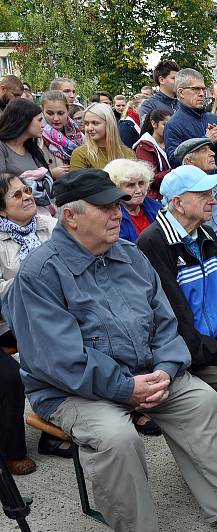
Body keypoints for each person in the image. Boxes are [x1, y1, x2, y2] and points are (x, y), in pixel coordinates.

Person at [4, 168, 217, 531]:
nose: (117, 213)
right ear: (70, 216)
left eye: (118, 205)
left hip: (148, 373)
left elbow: (166, 324)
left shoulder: (130, 256)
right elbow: (58, 360)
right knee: (116, 439)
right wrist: (125, 388)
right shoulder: (40, 274)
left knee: (202, 401)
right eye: (104, 207)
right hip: (73, 389)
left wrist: (166, 369)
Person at [137, 165, 217, 444]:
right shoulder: (154, 242)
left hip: (215, 345)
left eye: (212, 192)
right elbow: (173, 319)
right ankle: (214, 458)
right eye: (203, 194)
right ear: (178, 203)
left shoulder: (206, 234)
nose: (214, 199)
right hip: (185, 354)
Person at [0, 172, 57, 474]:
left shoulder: (51, 226)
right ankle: (15, 449)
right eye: (16, 195)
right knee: (12, 375)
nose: (26, 196)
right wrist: (29, 279)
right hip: (8, 320)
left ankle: (57, 427)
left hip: (54, 311)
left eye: (27, 190)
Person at [172, 137, 217, 254]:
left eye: (210, 149)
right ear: (189, 161)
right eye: (204, 151)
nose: (212, 153)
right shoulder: (180, 194)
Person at [164, 68, 217, 173]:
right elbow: (175, 163)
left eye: (203, 89)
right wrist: (206, 140)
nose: (201, 94)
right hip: (194, 186)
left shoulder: (213, 118)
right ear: (181, 92)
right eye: (195, 89)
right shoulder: (173, 125)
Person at [0, 98, 56, 214]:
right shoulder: (2, 147)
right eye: (39, 120)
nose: (43, 125)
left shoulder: (33, 150)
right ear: (24, 120)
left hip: (40, 213)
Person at [104, 159, 161, 242]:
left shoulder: (157, 208)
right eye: (130, 185)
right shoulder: (111, 217)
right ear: (116, 188)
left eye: (141, 183)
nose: (139, 190)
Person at [70, 103, 135, 170]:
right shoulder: (80, 154)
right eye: (86, 123)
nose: (89, 128)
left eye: (95, 123)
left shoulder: (128, 153)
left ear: (109, 124)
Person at [39, 90, 82, 176]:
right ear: (42, 110)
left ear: (68, 110)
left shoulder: (78, 135)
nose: (56, 118)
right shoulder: (36, 137)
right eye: (50, 113)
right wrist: (51, 173)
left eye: (60, 113)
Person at [133, 107, 173, 198]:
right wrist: (175, 171)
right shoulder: (144, 147)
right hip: (157, 198)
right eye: (165, 125)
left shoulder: (172, 142)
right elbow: (150, 178)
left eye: (171, 125)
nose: (169, 128)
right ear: (154, 124)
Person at [139, 59, 180, 124]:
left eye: (178, 78)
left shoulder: (182, 103)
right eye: (173, 78)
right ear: (161, 80)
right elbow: (147, 132)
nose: (178, 81)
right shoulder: (149, 105)